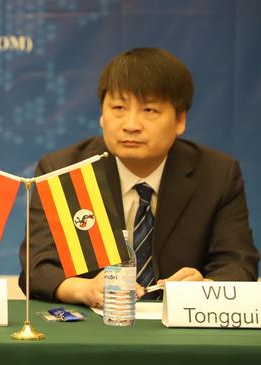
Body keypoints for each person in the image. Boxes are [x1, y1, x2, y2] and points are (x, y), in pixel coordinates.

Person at [21, 47, 259, 306]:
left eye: (149, 110)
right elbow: (37, 268)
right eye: (118, 107)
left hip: (177, 325)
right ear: (102, 114)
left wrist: (204, 288)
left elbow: (239, 263)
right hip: (98, 321)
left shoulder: (217, 174)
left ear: (180, 120)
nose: (131, 125)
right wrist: (85, 289)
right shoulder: (65, 171)